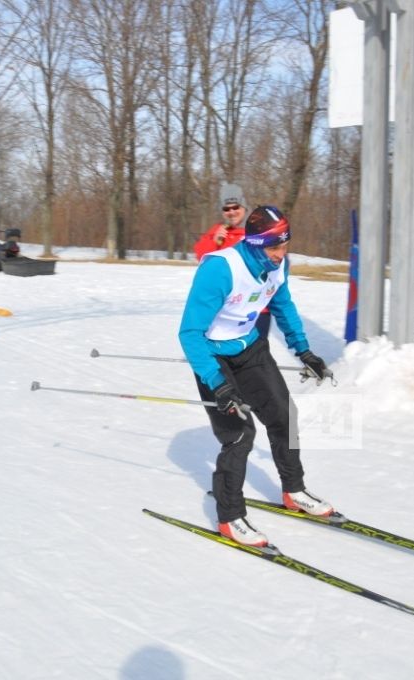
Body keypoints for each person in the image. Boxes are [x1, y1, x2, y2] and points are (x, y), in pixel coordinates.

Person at [179, 204, 334, 547]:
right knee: (239, 434)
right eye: (274, 247)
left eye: (285, 246)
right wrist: (217, 384)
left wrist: (303, 350)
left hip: (250, 348)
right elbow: (189, 333)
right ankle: (230, 515)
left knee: (283, 414)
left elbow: (283, 306)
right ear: (253, 243)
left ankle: (294, 490)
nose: (281, 254)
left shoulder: (279, 265)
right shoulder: (220, 269)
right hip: (211, 354)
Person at [192, 184, 271, 340]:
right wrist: (214, 242)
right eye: (226, 209)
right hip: (227, 310)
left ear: (244, 206)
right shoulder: (218, 231)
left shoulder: (258, 229)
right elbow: (201, 258)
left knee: (255, 357)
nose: (231, 212)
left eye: (235, 207)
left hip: (256, 309)